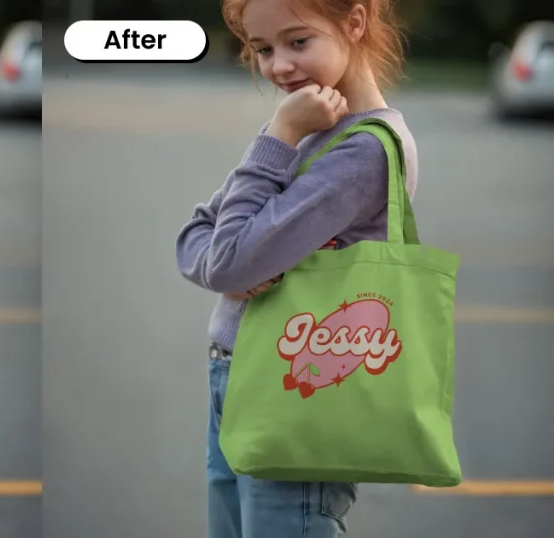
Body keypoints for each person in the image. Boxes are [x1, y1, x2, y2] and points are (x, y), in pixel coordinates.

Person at [174, 0, 416, 536]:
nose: (278, 65)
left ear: (354, 22)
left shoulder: (362, 152)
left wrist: (278, 137)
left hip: (298, 391)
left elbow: (228, 263)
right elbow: (195, 237)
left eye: (297, 42)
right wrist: (226, 265)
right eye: (263, 49)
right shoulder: (305, 128)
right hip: (235, 376)